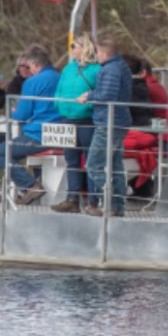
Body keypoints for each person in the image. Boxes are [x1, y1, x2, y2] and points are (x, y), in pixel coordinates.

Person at [0, 46, 60, 206]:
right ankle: (33, 185)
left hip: (39, 136)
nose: (28, 70)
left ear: (35, 64)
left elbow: (22, 115)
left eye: (28, 67)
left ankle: (30, 185)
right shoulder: (61, 77)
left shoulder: (32, 82)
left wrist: (12, 112)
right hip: (64, 134)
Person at [77, 35, 134, 217]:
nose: (96, 56)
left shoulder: (110, 70)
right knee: (115, 164)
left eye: (98, 53)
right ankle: (117, 205)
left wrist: (89, 96)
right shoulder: (120, 66)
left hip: (109, 122)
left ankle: (109, 196)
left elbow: (108, 94)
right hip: (118, 121)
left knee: (93, 164)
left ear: (104, 53)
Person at [50, 36, 101, 213]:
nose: (72, 49)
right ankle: (72, 198)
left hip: (87, 120)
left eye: (75, 46)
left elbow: (99, 92)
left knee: (90, 160)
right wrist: (59, 103)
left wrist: (87, 105)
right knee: (71, 160)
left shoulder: (96, 70)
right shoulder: (68, 68)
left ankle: (93, 200)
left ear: (84, 48)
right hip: (67, 118)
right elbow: (59, 89)